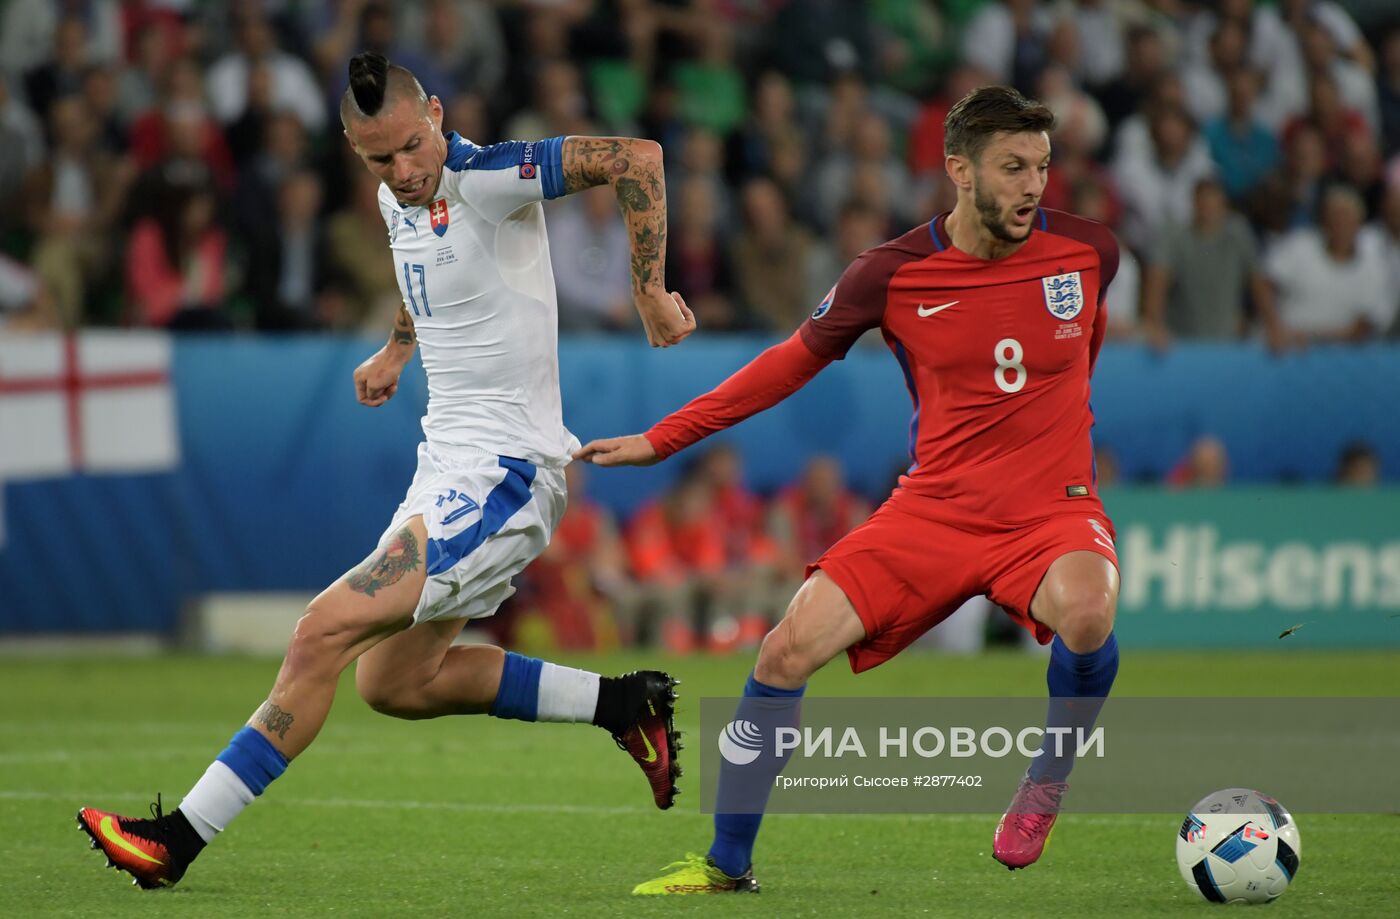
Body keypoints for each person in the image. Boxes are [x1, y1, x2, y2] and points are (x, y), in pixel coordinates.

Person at [77, 51, 696, 891]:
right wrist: (401, 346)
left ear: (437, 114)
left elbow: (638, 158)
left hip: (503, 477)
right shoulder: (394, 196)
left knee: (319, 632)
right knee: (395, 681)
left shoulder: (489, 175)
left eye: (412, 146)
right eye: (380, 158)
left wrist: (650, 287)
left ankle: (173, 841)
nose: (403, 171)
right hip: (444, 468)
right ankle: (627, 704)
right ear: (356, 151)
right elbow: (419, 263)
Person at [576, 86, 1122, 894]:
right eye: (1013, 168)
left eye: (1042, 166)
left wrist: (1054, 456)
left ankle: (1046, 781)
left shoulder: (1089, 254)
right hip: (934, 509)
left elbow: (1080, 363)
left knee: (1089, 607)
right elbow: (787, 364)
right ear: (958, 170)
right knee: (785, 648)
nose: (1033, 186)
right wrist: (665, 438)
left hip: (1050, 508)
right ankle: (728, 865)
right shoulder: (892, 273)